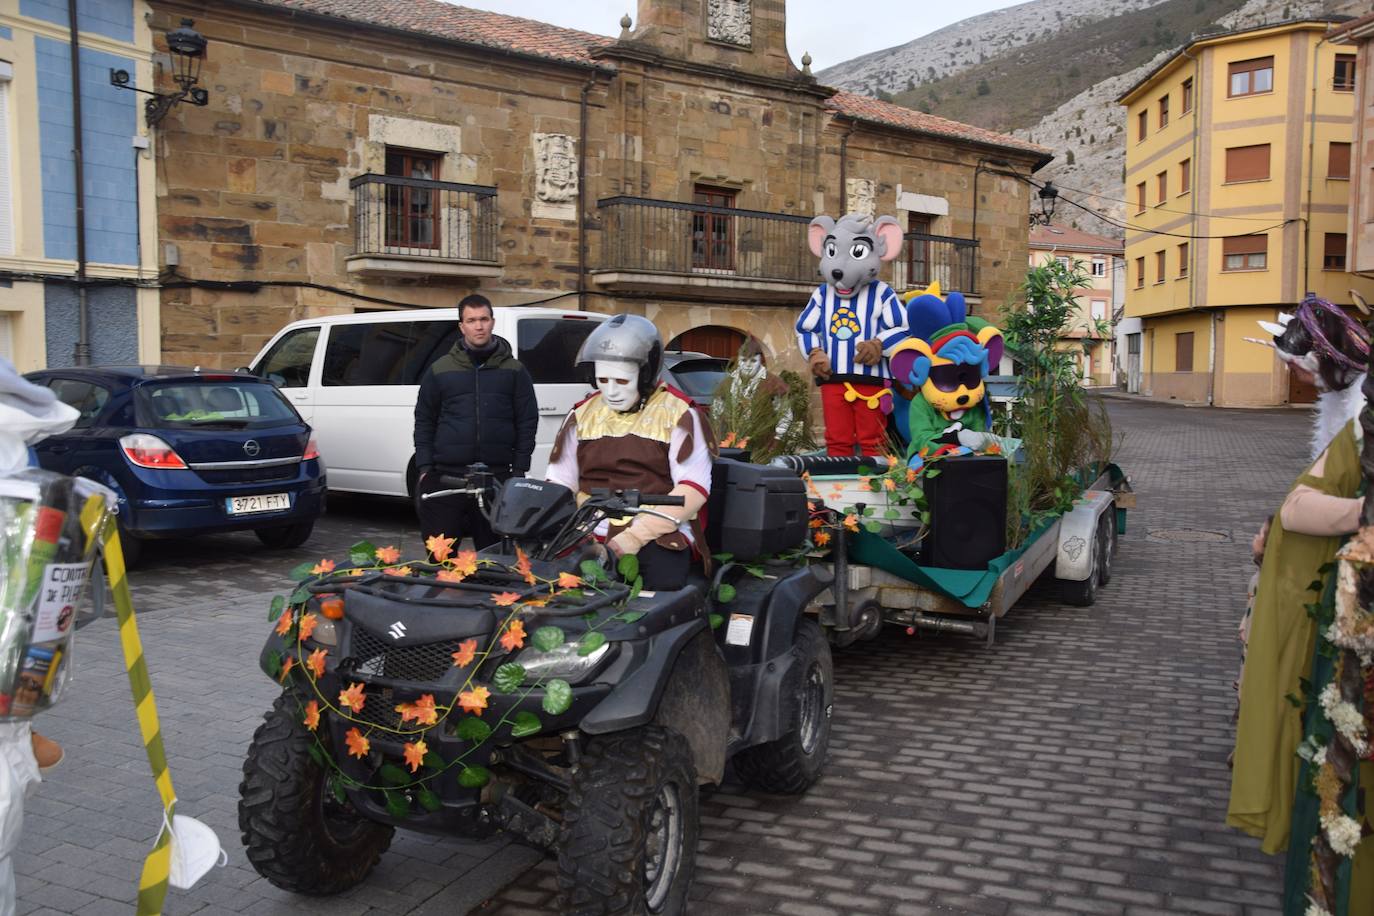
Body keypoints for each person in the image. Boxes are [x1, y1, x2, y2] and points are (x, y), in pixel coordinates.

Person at [545, 314, 716, 591]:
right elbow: (559, 482)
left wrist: (633, 538)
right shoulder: (581, 413)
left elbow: (693, 490)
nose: (610, 391)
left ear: (645, 373)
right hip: (587, 534)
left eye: (622, 381)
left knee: (660, 595)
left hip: (655, 534)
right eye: (603, 379)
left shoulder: (680, 413)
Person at [414, 294, 538, 552]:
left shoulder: (515, 370)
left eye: (483, 319)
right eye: (471, 320)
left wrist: (519, 468)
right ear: (461, 326)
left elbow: (527, 420)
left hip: (496, 477)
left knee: (495, 559)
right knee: (440, 557)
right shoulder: (440, 369)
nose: (478, 326)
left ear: (492, 322)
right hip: (446, 476)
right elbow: (425, 419)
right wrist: (425, 467)